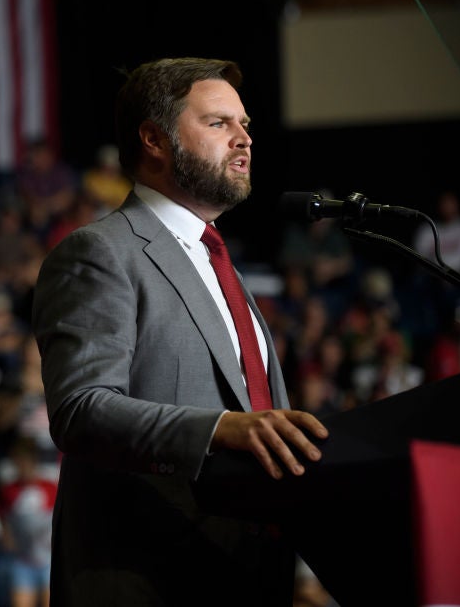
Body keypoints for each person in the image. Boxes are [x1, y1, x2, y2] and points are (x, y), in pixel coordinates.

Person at [30, 57, 329, 606]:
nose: (244, 139)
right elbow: (80, 409)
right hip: (150, 577)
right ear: (154, 139)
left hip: (247, 573)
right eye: (219, 124)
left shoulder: (222, 267)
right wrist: (221, 430)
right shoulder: (101, 252)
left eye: (245, 126)